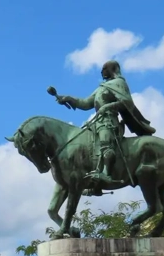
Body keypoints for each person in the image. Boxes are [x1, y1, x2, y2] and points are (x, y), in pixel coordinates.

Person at [54, 60, 156, 193]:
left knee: (105, 142)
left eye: (104, 68)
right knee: (87, 147)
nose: (102, 71)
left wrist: (109, 106)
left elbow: (127, 102)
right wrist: (69, 98)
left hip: (109, 121)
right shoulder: (101, 87)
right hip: (97, 122)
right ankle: (94, 183)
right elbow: (85, 103)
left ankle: (106, 174)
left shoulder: (119, 83)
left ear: (112, 69)